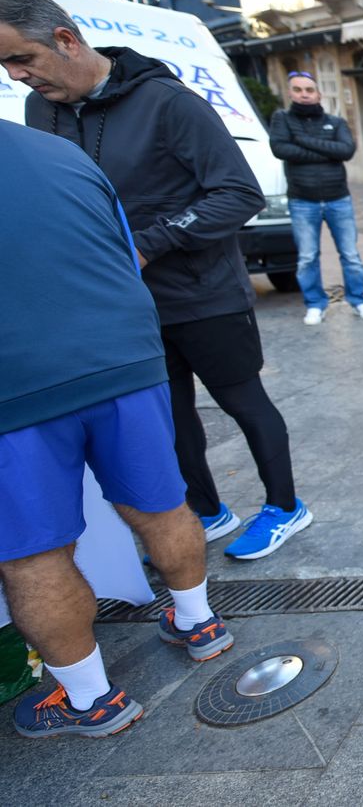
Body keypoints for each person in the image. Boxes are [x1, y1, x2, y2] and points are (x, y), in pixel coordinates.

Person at [4, 0, 312, 560]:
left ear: (66, 40)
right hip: (120, 305)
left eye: (23, 58)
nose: (18, 75)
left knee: (242, 401)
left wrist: (150, 242)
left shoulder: (168, 102)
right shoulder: (38, 109)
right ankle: (207, 511)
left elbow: (238, 193)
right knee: (168, 416)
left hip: (203, 293)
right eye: (6, 65)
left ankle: (284, 506)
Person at [1, 121, 232, 738]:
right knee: (162, 504)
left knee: (32, 554)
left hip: (14, 386)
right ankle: (199, 621)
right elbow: (121, 248)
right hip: (124, 358)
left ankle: (89, 700)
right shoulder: (60, 151)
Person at [268, 71, 363, 325]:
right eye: (298, 90)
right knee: (307, 257)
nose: (304, 95)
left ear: (318, 94)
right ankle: (315, 303)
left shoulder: (336, 122)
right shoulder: (281, 119)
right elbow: (280, 149)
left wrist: (303, 141)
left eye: (309, 90)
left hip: (338, 197)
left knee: (350, 254)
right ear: (290, 93)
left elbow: (346, 150)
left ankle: (358, 300)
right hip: (302, 200)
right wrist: (326, 151)